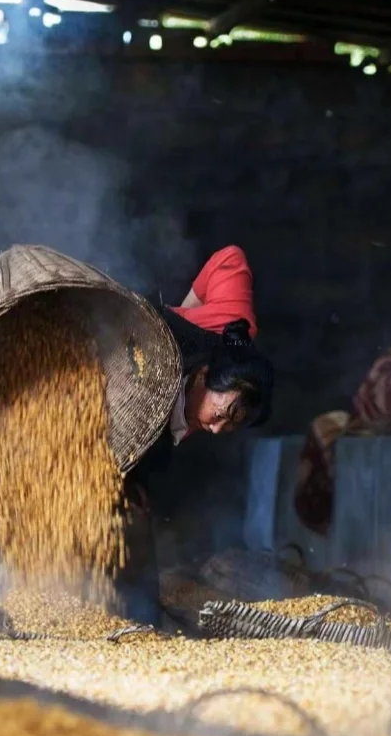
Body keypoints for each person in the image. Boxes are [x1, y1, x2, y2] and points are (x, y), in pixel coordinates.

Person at [114, 245, 274, 625]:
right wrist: (187, 316)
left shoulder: (236, 350)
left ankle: (138, 622)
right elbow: (230, 257)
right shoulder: (225, 330)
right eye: (223, 413)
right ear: (203, 375)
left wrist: (132, 479)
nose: (218, 429)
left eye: (232, 425)